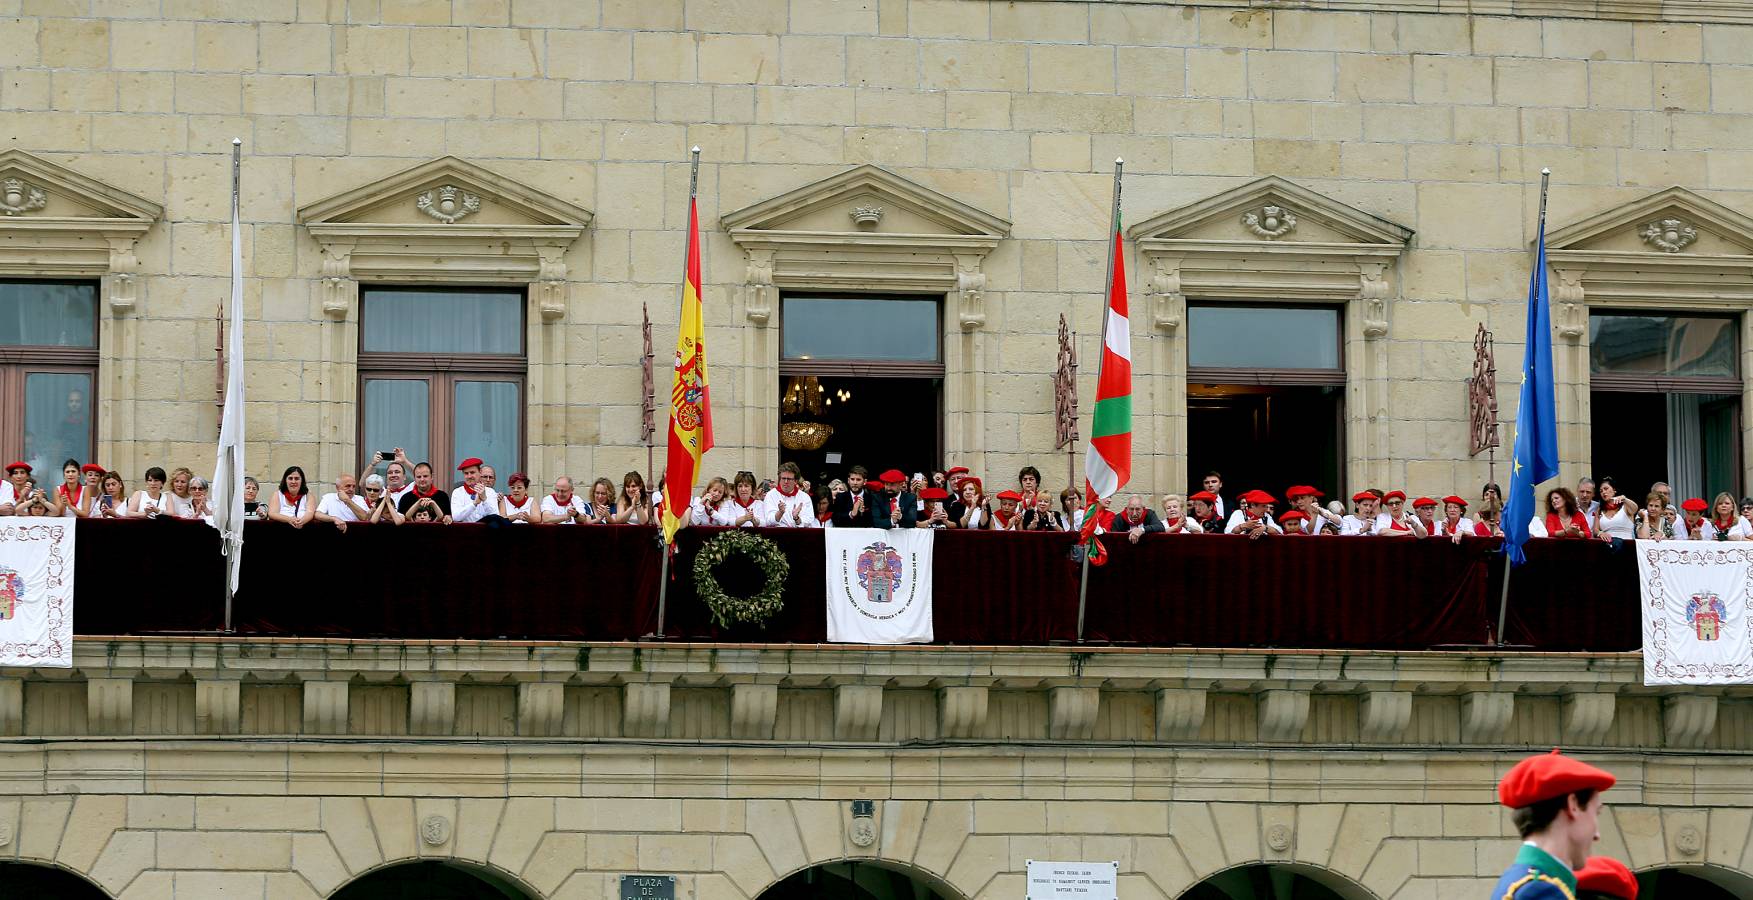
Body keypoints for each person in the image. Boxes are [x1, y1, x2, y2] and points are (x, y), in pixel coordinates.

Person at [1489, 749, 1616, 900]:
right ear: (1573, 805)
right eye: (1596, 812)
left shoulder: (1521, 881)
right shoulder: (1541, 891)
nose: (1597, 835)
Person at [760, 463, 816, 528]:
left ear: (795, 481)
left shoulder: (804, 497)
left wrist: (797, 518)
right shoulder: (771, 495)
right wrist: (780, 513)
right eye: (783, 478)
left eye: (789, 479)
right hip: (776, 534)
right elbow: (768, 521)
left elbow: (810, 521)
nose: (786, 481)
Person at [451, 458, 500, 525]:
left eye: (472, 472)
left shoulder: (490, 492)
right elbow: (455, 517)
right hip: (465, 532)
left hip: (486, 533)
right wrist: (474, 504)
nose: (469, 476)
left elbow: (495, 516)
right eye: (466, 473)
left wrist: (484, 499)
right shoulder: (457, 492)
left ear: (480, 472)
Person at [1591, 476, 1638, 543]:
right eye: (1601, 491)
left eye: (1606, 489)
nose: (1603, 492)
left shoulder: (1625, 505)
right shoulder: (1600, 509)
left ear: (1614, 490)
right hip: (1609, 546)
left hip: (1627, 545)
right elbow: (1595, 530)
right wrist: (1601, 533)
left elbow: (1635, 508)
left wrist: (1624, 499)